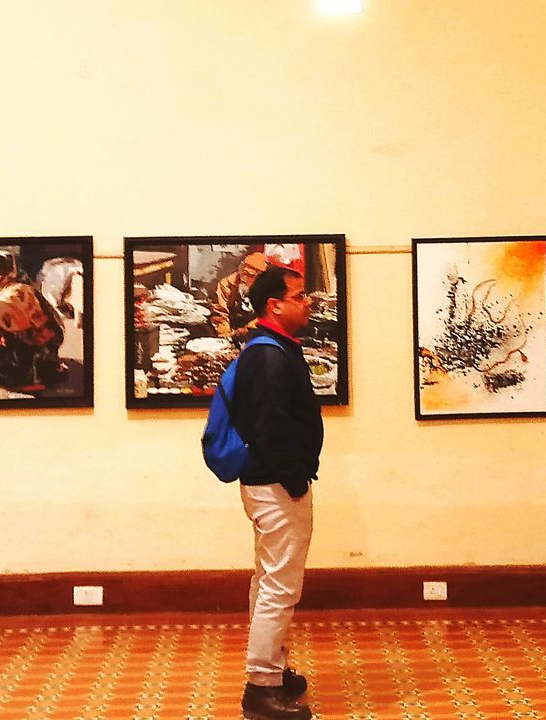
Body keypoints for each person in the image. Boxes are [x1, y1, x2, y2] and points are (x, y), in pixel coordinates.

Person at [231, 266, 322, 720]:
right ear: (275, 305)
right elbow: (270, 428)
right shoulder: (268, 357)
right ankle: (261, 688)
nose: (308, 303)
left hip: (268, 481)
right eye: (300, 295)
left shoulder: (271, 350)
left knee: (268, 581)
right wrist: (296, 478)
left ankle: (274, 670)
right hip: (275, 485)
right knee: (279, 588)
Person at [0, 250, 66, 388]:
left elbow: (2, 310)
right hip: (28, 340)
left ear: (11, 272)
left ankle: (23, 376)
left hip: (40, 349)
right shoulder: (7, 289)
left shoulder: (20, 290)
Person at [211, 251, 268, 340]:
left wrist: (247, 329)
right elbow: (220, 313)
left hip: (258, 330)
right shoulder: (226, 284)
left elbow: (268, 316)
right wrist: (225, 335)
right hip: (233, 326)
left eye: (251, 275)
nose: (244, 277)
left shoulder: (268, 287)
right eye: (243, 272)